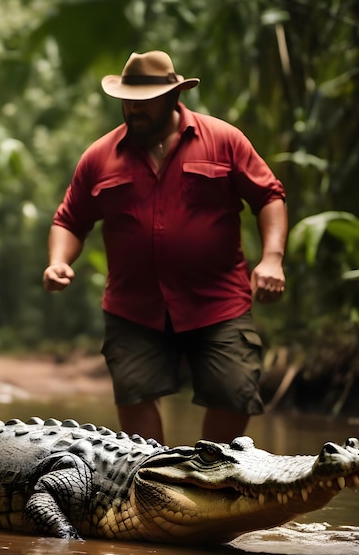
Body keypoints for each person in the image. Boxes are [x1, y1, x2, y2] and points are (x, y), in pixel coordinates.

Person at [42, 50, 288, 444]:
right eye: (127, 101)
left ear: (174, 97)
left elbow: (269, 196)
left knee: (235, 392)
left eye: (144, 102)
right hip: (134, 309)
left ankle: (213, 482)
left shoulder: (224, 141)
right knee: (136, 396)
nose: (133, 110)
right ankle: (156, 480)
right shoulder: (99, 157)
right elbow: (69, 219)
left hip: (217, 302)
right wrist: (58, 262)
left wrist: (272, 260)